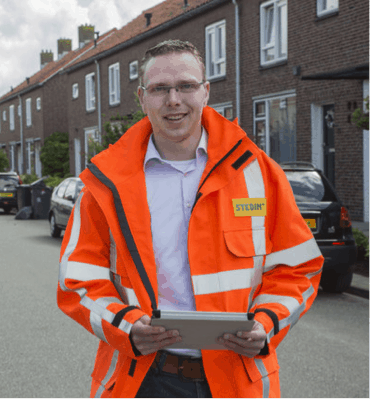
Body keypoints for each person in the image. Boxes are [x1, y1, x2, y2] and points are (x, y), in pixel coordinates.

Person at [56, 39, 323, 398]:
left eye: (186, 86)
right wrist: (126, 326)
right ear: (141, 97)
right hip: (145, 379)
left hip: (236, 379)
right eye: (160, 89)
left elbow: (298, 268)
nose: (173, 100)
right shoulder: (106, 184)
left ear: (206, 91)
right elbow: (78, 279)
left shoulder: (259, 173)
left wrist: (267, 322)